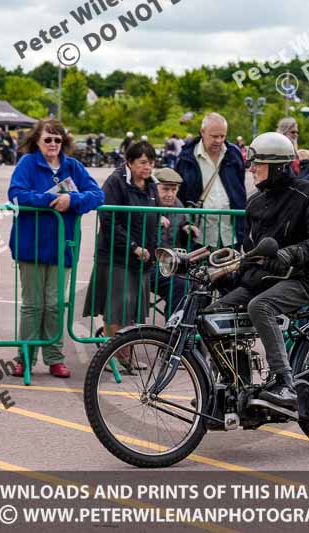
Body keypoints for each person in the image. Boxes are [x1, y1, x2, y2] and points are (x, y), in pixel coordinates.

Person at [207, 132, 309, 410]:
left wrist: (290, 253)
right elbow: (251, 250)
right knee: (214, 314)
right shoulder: (255, 201)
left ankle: (284, 384)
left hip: (301, 278)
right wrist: (225, 270)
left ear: (278, 166)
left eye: (258, 164)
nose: (252, 169)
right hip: (264, 279)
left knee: (260, 307)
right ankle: (233, 387)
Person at [8, 119, 104, 378]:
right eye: (47, 139)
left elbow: (97, 195)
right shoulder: (27, 163)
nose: (52, 144)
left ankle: (54, 357)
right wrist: (52, 199)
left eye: (57, 140)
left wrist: (72, 199)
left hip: (63, 248)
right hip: (31, 245)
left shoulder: (73, 166)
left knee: (54, 305)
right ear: (37, 140)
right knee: (32, 305)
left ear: (64, 142)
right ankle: (24, 356)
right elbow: (16, 194)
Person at [83, 141, 159, 372]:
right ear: (130, 162)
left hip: (142, 259)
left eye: (152, 162)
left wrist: (151, 250)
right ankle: (112, 357)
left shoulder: (152, 186)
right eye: (143, 162)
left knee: (135, 310)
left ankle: (127, 356)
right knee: (116, 308)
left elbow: (154, 218)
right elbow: (109, 220)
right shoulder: (116, 182)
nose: (148, 167)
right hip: (117, 257)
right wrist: (133, 247)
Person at [176, 113, 246, 247]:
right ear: (202, 132)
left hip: (231, 234)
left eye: (222, 136)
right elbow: (179, 194)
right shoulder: (186, 157)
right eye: (214, 136)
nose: (219, 140)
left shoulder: (233, 153)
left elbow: (240, 189)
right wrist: (185, 223)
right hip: (199, 235)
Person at [152, 167, 200, 314]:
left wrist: (188, 227)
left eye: (174, 190)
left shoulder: (177, 204)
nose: (170, 194)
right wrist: (152, 220)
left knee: (201, 284)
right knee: (179, 285)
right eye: (165, 189)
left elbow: (183, 221)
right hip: (150, 265)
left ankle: (190, 328)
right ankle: (173, 331)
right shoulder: (147, 203)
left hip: (173, 263)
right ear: (155, 188)